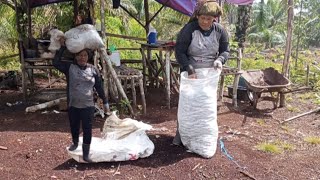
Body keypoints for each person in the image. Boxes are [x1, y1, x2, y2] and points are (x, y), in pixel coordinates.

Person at [173, 0, 229, 145]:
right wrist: (189, 69)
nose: (205, 21)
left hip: (209, 74)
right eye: (202, 18)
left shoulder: (220, 31)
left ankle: (203, 137)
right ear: (197, 16)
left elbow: (225, 50)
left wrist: (220, 60)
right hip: (191, 72)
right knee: (188, 105)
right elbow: (179, 51)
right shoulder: (189, 29)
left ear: (214, 19)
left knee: (205, 106)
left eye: (209, 19)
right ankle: (182, 136)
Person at [53, 39, 110, 162]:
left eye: (84, 55)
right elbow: (56, 62)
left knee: (87, 129)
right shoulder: (70, 68)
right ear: (76, 56)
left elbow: (99, 87)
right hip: (73, 104)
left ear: (88, 57)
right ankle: (74, 142)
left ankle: (86, 153)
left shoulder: (93, 70)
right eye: (79, 55)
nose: (82, 57)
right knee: (74, 126)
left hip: (88, 105)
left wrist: (105, 102)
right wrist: (62, 47)